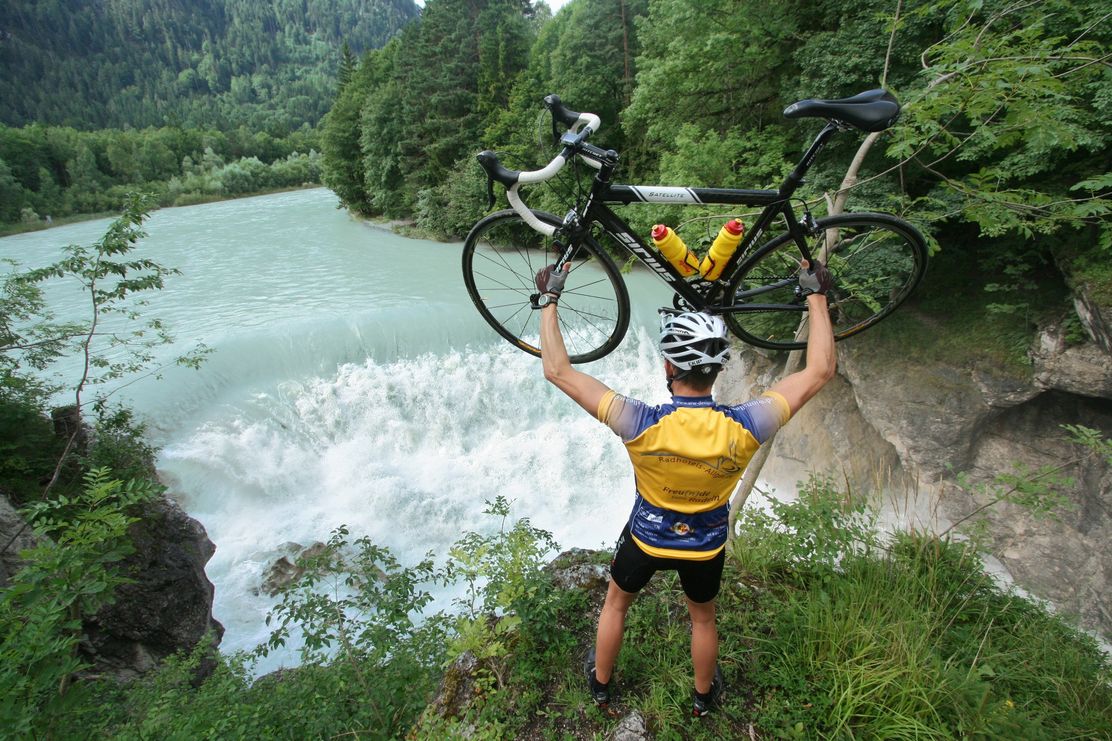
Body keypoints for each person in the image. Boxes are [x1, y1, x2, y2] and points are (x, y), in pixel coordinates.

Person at [534, 259, 836, 716]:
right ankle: (702, 698)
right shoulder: (747, 425)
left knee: (616, 605)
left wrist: (549, 298)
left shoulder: (639, 421)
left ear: (669, 366)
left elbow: (557, 371)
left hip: (646, 539)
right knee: (703, 618)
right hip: (705, 545)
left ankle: (601, 685)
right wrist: (816, 296)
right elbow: (819, 371)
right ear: (716, 371)